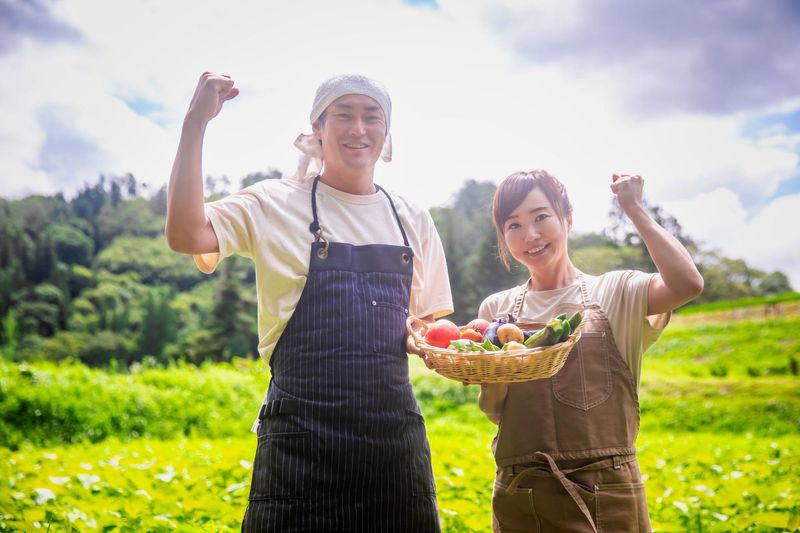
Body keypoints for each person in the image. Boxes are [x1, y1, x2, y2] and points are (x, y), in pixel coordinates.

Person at [165, 72, 453, 532]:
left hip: (393, 447)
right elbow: (184, 234)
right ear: (317, 129)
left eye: (371, 116)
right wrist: (195, 123)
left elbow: (427, 326)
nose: (358, 128)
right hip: (300, 445)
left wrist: (454, 349)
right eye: (343, 115)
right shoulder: (274, 202)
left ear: (386, 131)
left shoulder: (411, 217)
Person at [477, 169, 703, 532]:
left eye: (540, 217)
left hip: (607, 495)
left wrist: (634, 209)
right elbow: (494, 411)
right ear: (503, 237)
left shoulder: (615, 291)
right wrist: (495, 375)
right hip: (522, 495)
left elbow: (687, 283)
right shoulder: (496, 310)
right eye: (514, 225)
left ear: (567, 219)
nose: (530, 235)